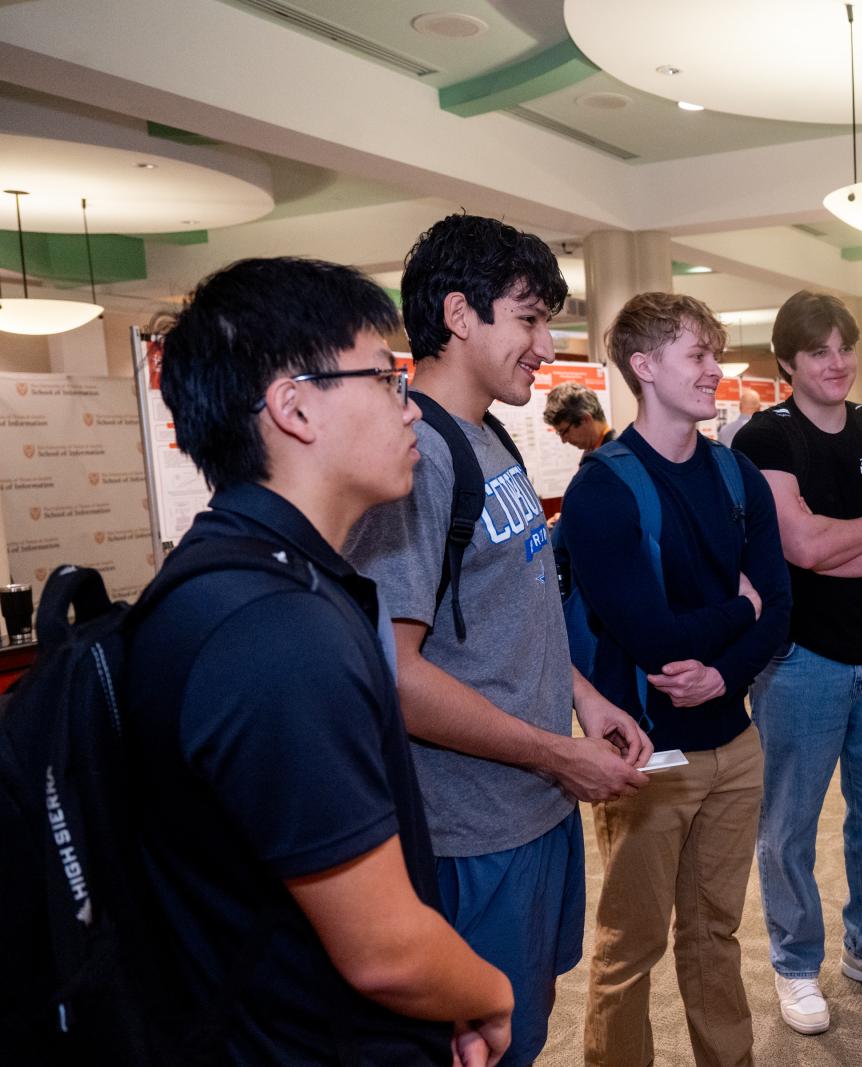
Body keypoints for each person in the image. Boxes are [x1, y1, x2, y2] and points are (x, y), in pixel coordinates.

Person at [127, 257, 514, 1065]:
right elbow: (386, 952)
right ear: (294, 406)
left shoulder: (247, 574)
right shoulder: (273, 630)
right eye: (384, 377)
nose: (409, 409)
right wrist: (489, 991)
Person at [345, 214, 652, 1067]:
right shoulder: (421, 457)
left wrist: (585, 704)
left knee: (525, 1020)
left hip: (534, 807)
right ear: (458, 314)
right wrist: (555, 753)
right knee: (482, 1043)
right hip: (472, 831)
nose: (545, 346)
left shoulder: (488, 434)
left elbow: (520, 608)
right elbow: (397, 675)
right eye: (528, 318)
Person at [561, 293, 791, 1067]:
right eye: (697, 354)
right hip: (647, 759)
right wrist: (739, 607)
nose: (714, 370)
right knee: (631, 947)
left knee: (714, 934)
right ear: (644, 365)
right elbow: (650, 635)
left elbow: (781, 609)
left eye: (713, 353)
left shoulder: (737, 473)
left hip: (734, 744)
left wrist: (724, 677)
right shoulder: (603, 488)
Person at [734, 290, 862, 1035]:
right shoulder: (766, 436)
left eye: (845, 348)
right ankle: (795, 963)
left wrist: (836, 542)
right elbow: (801, 547)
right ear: (787, 360)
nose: (837, 363)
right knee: (789, 823)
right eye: (819, 350)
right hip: (800, 661)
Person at [543, 380, 615, 453]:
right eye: (559, 433)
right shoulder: (594, 450)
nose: (563, 440)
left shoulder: (613, 457)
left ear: (585, 419)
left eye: (564, 431)